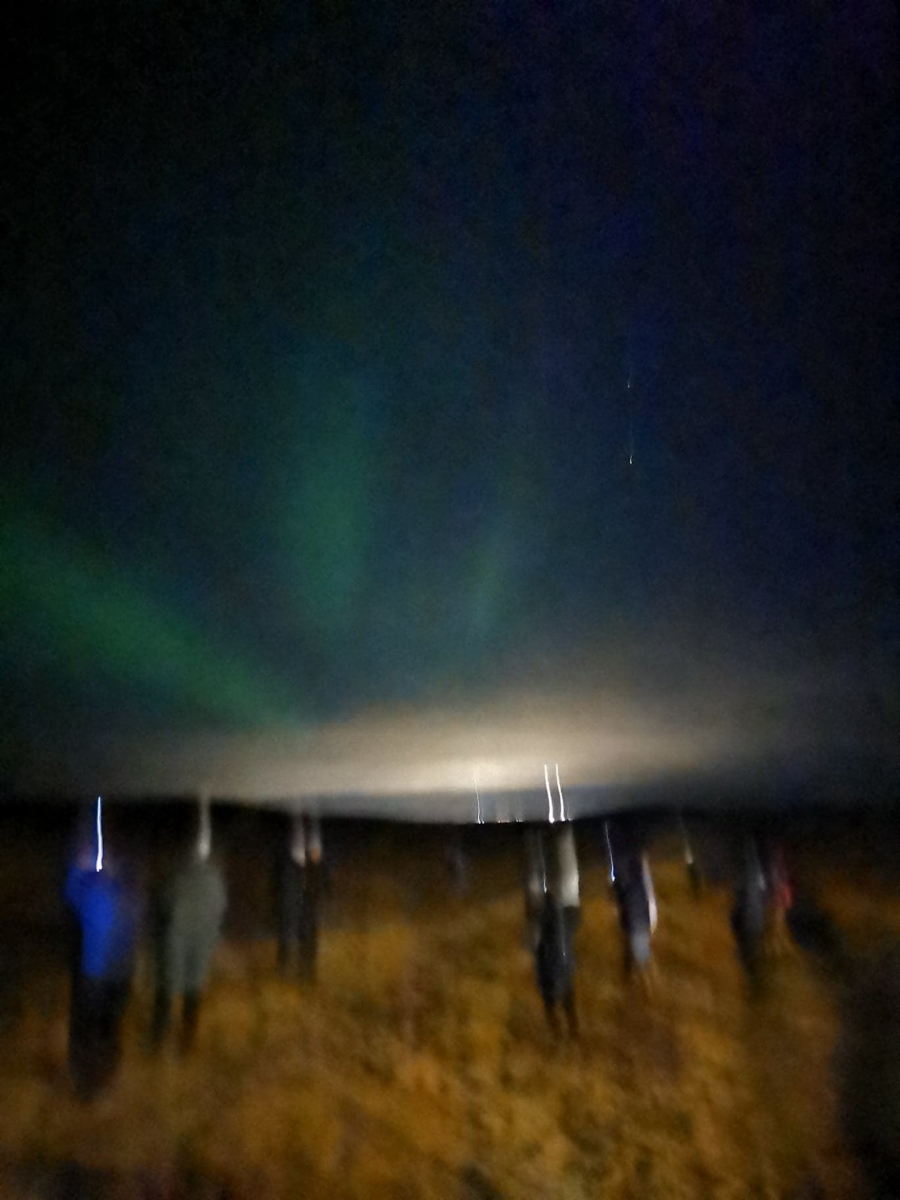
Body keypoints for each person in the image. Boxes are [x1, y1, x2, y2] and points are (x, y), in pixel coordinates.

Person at [64, 812, 138, 1099]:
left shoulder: (94, 891)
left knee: (91, 1027)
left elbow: (72, 893)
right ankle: (101, 1076)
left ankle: (92, 1079)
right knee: (104, 1028)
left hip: (98, 975)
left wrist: (78, 868)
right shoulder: (122, 893)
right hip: (114, 974)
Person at [151, 800, 227, 1052]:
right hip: (198, 939)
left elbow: (162, 903)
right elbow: (220, 909)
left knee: (168, 987)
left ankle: (159, 1038)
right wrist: (213, 937)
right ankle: (186, 1038)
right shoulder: (213, 878)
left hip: (177, 938)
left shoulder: (177, 874)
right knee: (192, 988)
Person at [524, 824, 581, 1034]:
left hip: (556, 915)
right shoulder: (554, 984)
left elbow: (540, 945)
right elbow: (540, 945)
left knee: (553, 876)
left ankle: (539, 836)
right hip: (556, 916)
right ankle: (536, 836)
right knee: (540, 877)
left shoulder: (555, 983)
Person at [277, 813, 322, 982]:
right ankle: (284, 970)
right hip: (291, 867)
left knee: (309, 922)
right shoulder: (289, 812)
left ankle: (307, 972)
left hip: (313, 868)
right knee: (289, 920)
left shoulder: (317, 813)